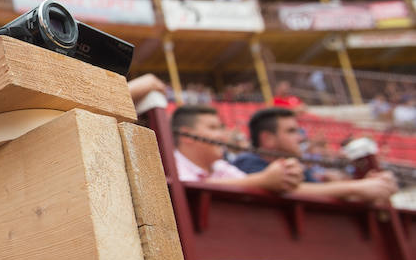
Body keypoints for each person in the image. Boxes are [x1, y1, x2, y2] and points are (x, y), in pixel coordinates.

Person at [233, 107, 398, 204]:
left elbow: (319, 191)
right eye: (291, 131)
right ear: (267, 139)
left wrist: (370, 187)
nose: (301, 137)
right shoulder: (247, 162)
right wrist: (357, 188)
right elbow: (282, 190)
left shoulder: (298, 168)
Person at [171, 105, 302, 193]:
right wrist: (263, 179)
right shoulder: (170, 166)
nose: (223, 136)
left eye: (221, 128)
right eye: (213, 128)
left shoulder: (219, 166)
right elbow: (187, 190)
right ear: (186, 135)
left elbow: (244, 182)